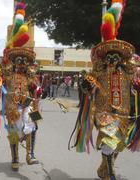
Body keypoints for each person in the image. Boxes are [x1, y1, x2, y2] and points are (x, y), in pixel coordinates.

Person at [70, 1, 140, 179]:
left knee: (118, 144)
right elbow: (88, 85)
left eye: (117, 57)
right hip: (104, 113)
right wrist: (86, 85)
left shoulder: (127, 74)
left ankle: (104, 168)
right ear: (105, 58)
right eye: (110, 56)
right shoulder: (99, 72)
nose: (113, 60)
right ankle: (110, 174)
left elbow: (136, 85)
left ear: (122, 59)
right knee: (109, 142)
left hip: (123, 114)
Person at [0, 2, 43, 171]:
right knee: (14, 135)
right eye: (19, 61)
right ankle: (15, 157)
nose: (22, 64)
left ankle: (30, 155)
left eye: (25, 61)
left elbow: (35, 88)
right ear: (14, 62)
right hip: (12, 108)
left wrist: (39, 91)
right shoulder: (9, 74)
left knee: (35, 125)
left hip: (28, 106)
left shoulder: (30, 75)